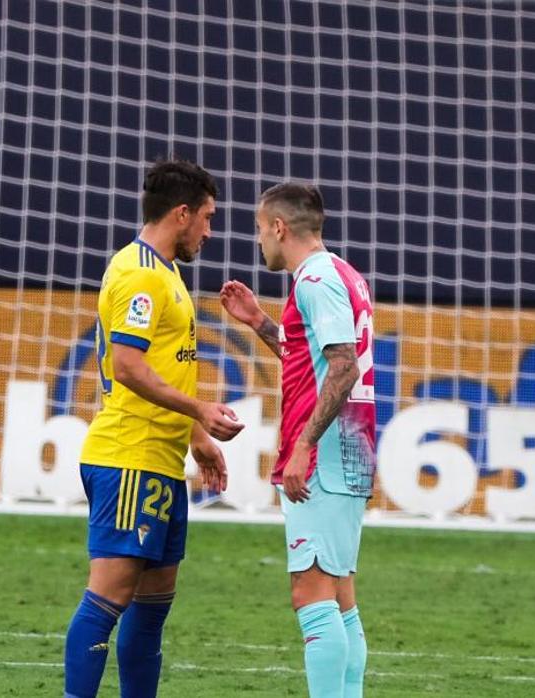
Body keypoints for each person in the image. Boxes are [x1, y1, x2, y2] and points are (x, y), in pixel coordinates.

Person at [64, 159, 243, 698]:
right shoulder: (140, 274)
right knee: (108, 599)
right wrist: (199, 409)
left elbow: (162, 364)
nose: (210, 231)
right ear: (182, 213)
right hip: (128, 457)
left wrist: (196, 438)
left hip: (160, 462)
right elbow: (129, 367)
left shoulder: (165, 271)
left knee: (153, 607)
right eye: (207, 218)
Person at [220, 182, 376, 698]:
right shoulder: (343, 274)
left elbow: (343, 366)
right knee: (339, 595)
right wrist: (261, 323)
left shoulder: (314, 279)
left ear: (279, 227)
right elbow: (312, 355)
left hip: (326, 455)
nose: (259, 239)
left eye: (260, 229)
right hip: (351, 447)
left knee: (310, 593)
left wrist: (305, 446)